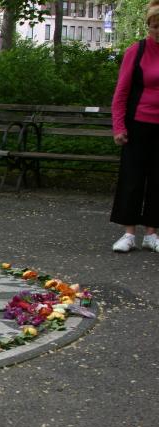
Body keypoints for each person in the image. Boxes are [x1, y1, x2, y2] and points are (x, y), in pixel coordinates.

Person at [110, 0, 159, 252]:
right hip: (138, 123)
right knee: (133, 177)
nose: (158, 31)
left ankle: (152, 234)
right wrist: (118, 127)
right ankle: (129, 234)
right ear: (148, 26)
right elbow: (121, 93)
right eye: (155, 26)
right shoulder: (136, 51)